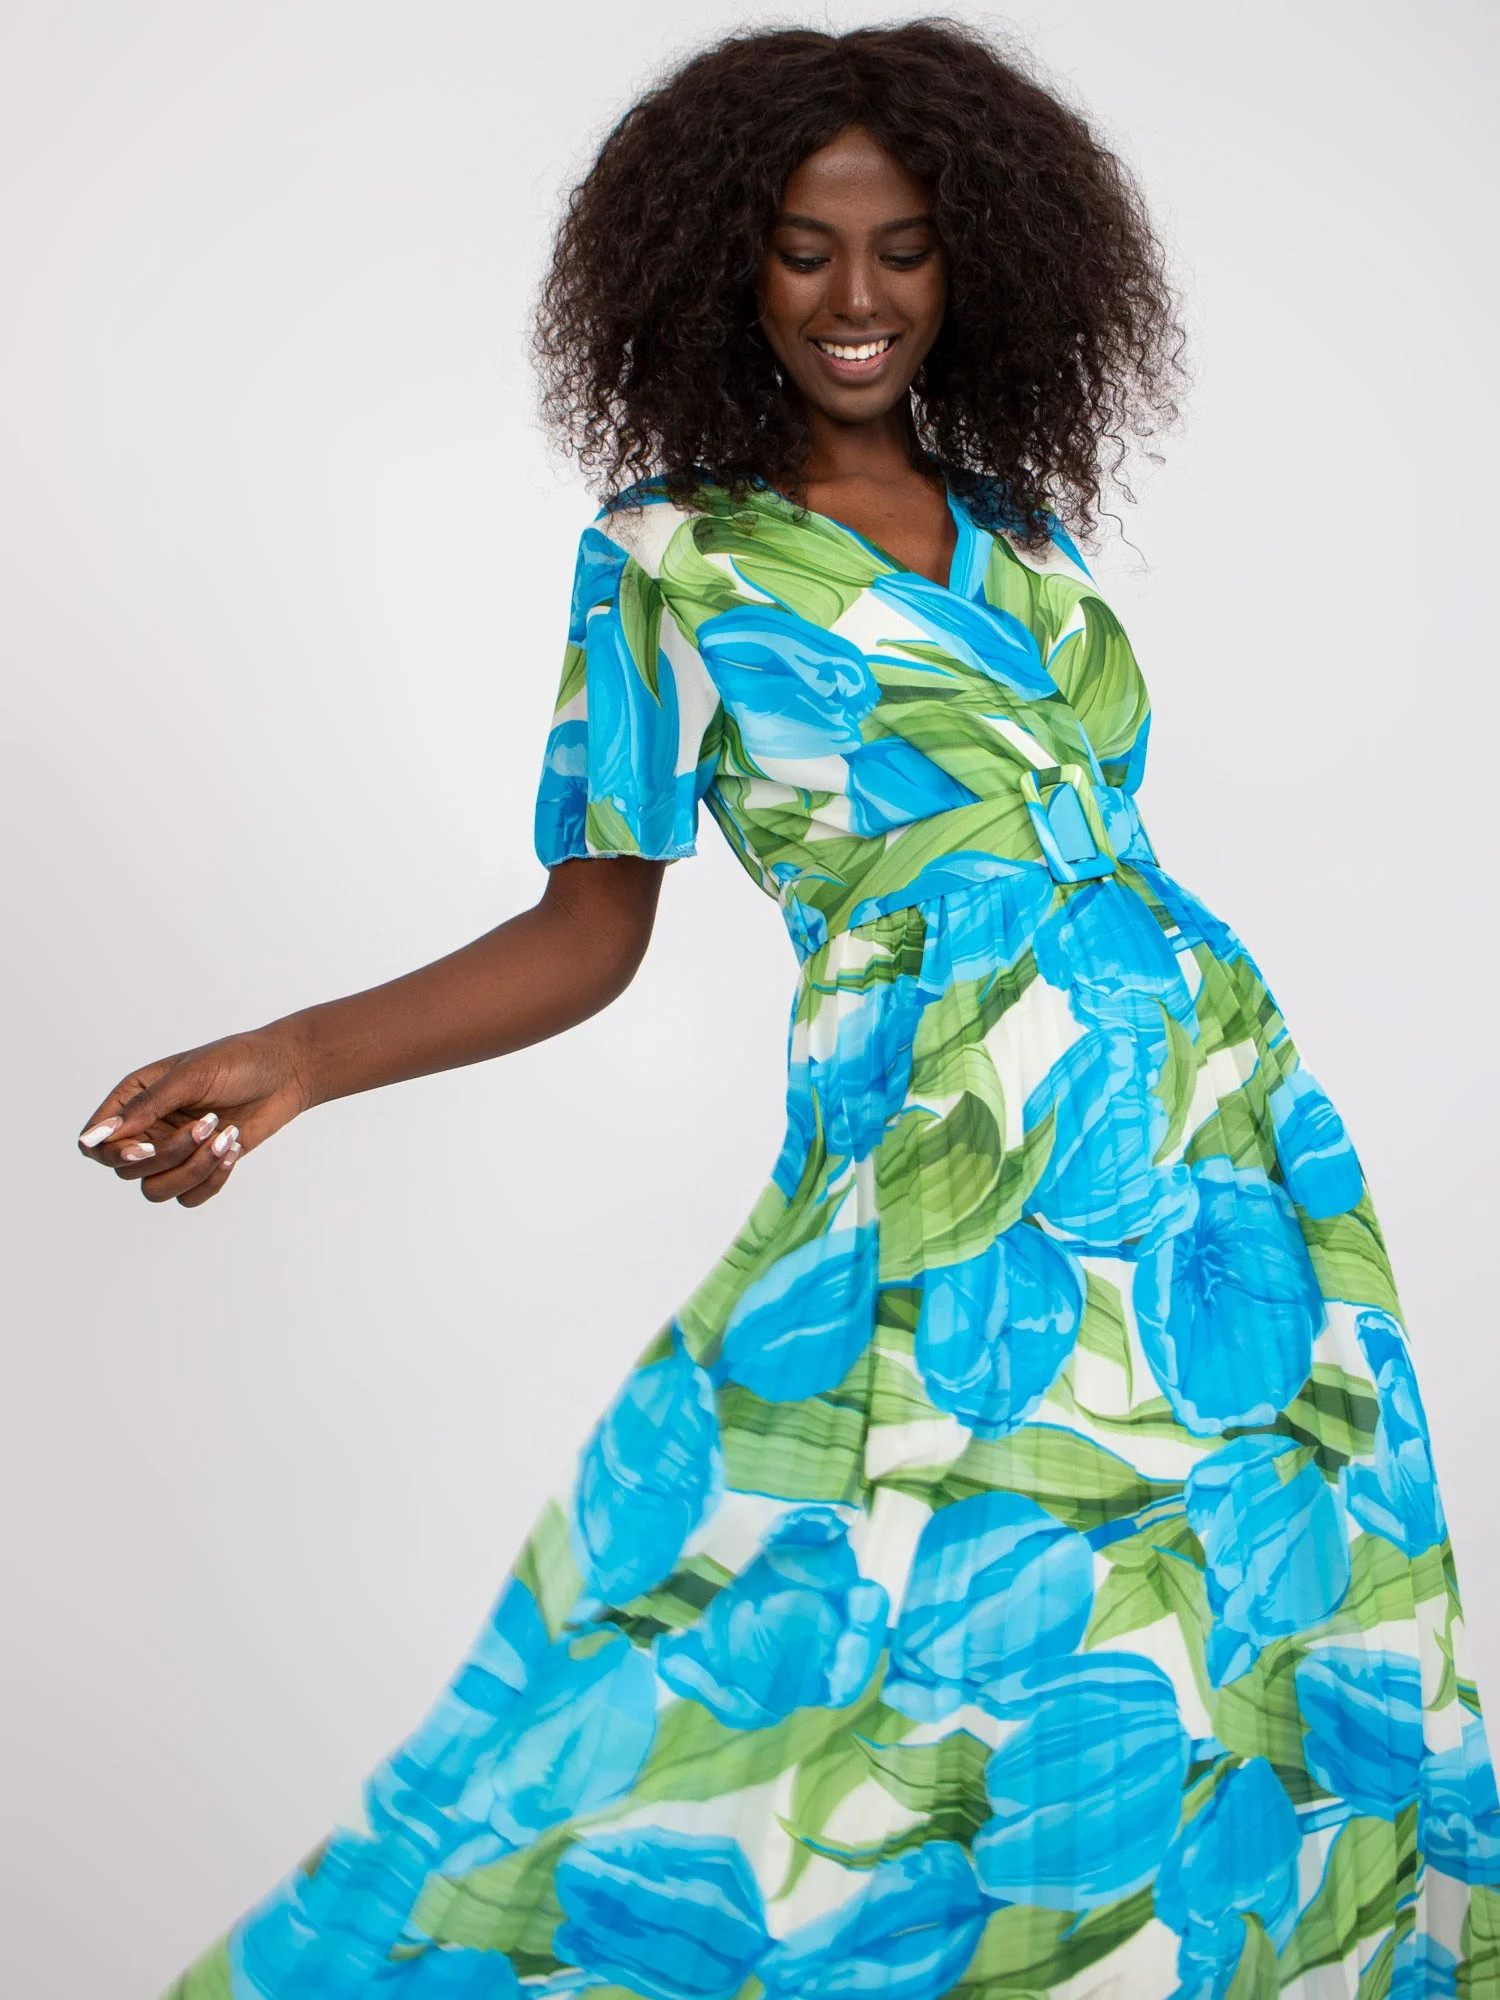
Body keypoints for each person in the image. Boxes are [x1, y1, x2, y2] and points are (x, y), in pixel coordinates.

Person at [77, 20, 1499, 2000]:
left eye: (904, 248)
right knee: (854, 1618)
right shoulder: (670, 556)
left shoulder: (1024, 530)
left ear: (974, 260)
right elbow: (590, 928)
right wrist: (302, 1056)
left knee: (1232, 1636)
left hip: (1214, 1160)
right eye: (803, 248)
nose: (855, 296)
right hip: (950, 1162)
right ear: (721, 266)